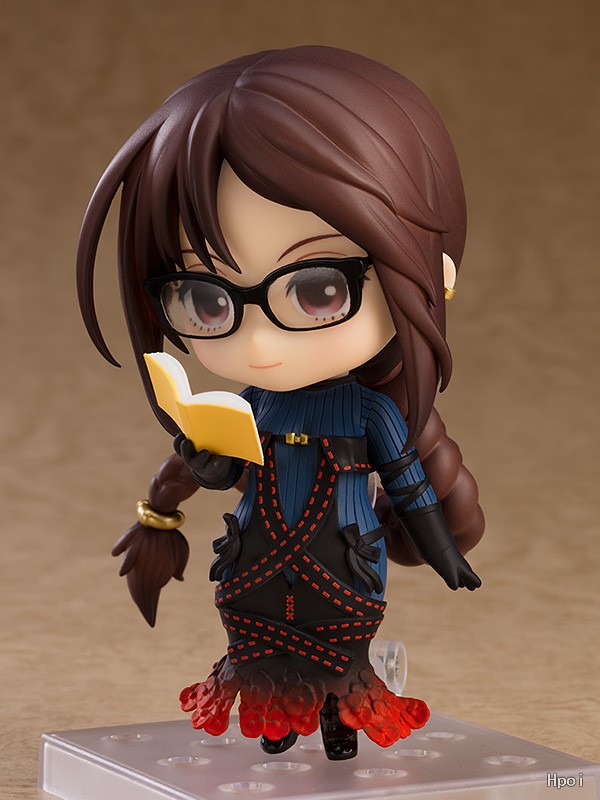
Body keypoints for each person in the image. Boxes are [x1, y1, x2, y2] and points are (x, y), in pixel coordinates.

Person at [77, 45, 484, 760]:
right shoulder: (255, 405)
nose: (260, 343)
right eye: (207, 300)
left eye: (318, 289)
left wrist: (444, 552)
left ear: (429, 273)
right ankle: (277, 725)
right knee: (261, 657)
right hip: (254, 564)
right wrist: (189, 486)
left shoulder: (371, 414)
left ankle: (336, 725)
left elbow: (411, 486)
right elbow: (215, 468)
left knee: (339, 658)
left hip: (342, 564)